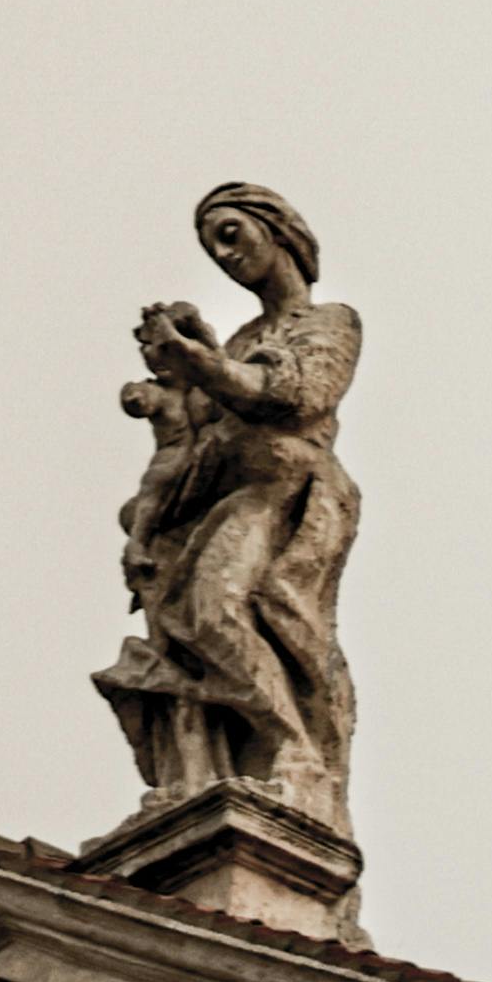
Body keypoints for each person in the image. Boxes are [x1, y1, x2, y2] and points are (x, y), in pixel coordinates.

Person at [100, 181, 364, 827]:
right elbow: (200, 427)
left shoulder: (330, 322)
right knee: (191, 631)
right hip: (212, 500)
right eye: (210, 245)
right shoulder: (243, 335)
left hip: (284, 498)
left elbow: (291, 394)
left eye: (231, 232)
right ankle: (212, 772)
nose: (224, 254)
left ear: (280, 230)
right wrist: (188, 370)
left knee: (221, 610)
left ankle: (295, 754)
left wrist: (200, 362)